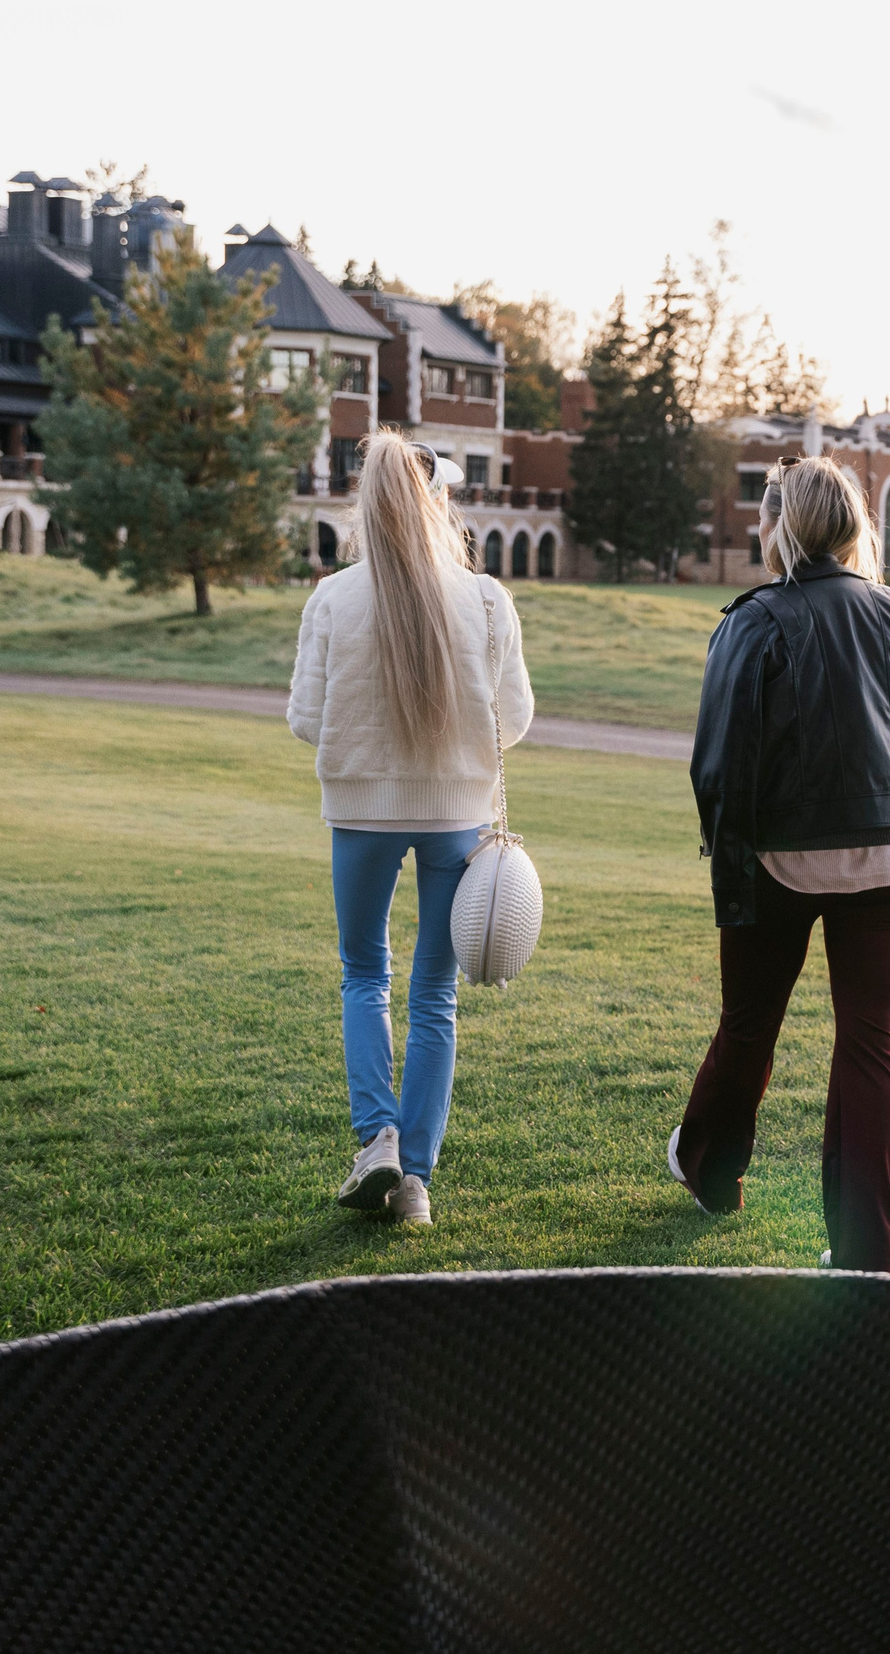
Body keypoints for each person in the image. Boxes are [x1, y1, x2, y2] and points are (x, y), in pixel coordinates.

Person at [678, 456, 890, 1271]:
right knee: (871, 1045)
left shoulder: (754, 616)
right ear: (851, 526)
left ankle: (711, 1173)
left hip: (780, 862)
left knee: (749, 1023)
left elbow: (718, 761)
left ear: (780, 526)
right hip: (886, 862)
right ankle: (868, 1251)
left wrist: (730, 872)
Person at [288, 431, 533, 1227]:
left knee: (365, 973)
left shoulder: (333, 596)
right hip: (457, 814)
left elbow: (304, 719)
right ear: (439, 503)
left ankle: (378, 1142)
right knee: (433, 996)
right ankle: (415, 1183)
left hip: (360, 809)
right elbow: (515, 718)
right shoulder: (485, 598)